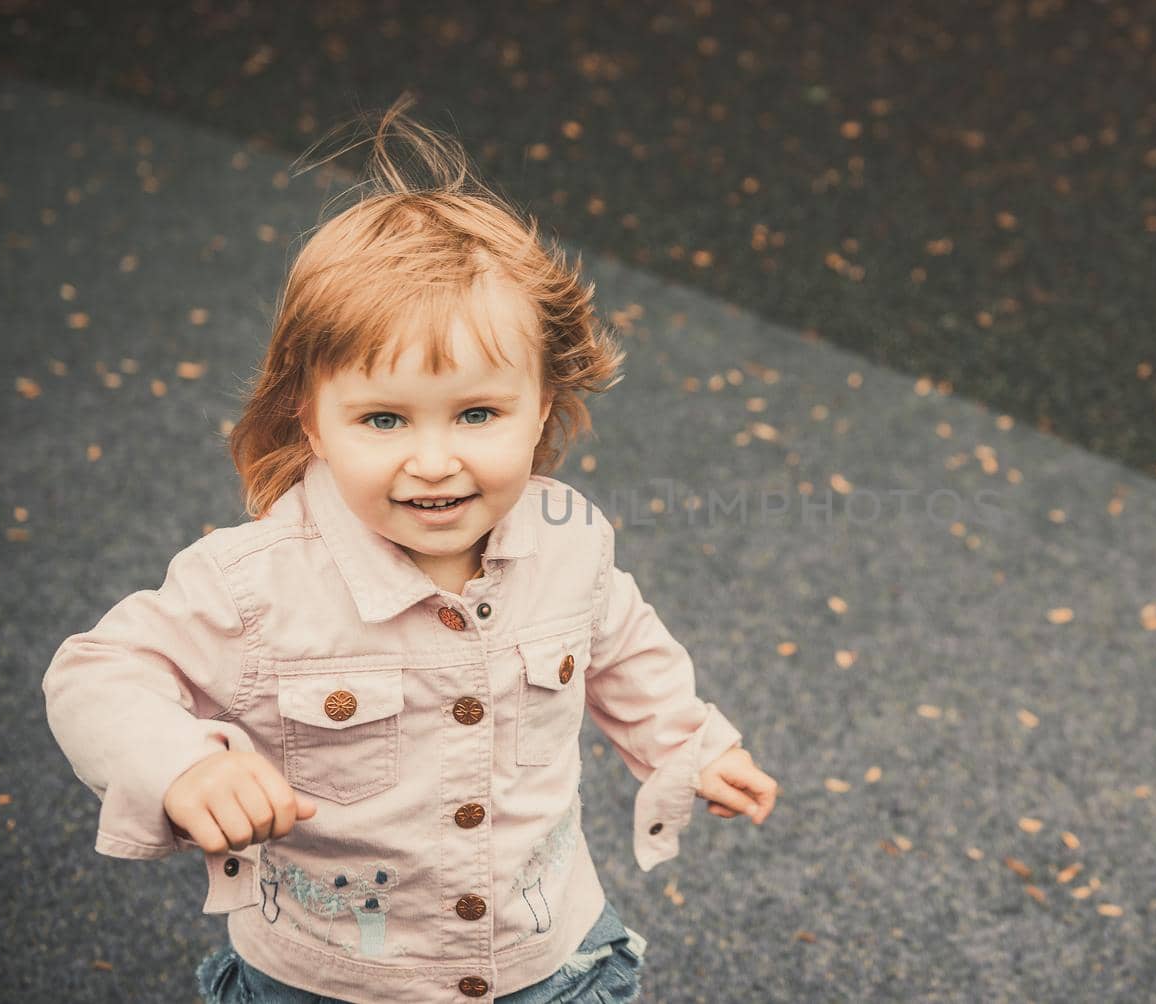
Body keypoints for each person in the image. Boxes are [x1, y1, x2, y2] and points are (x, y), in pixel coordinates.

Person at [41, 94, 778, 1003]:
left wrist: (691, 744)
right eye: (384, 419)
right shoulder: (256, 585)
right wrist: (182, 762)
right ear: (310, 419)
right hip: (331, 979)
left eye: (478, 413)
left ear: (541, 404)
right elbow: (96, 674)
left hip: (549, 958)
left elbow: (623, 648)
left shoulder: (568, 538)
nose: (435, 462)